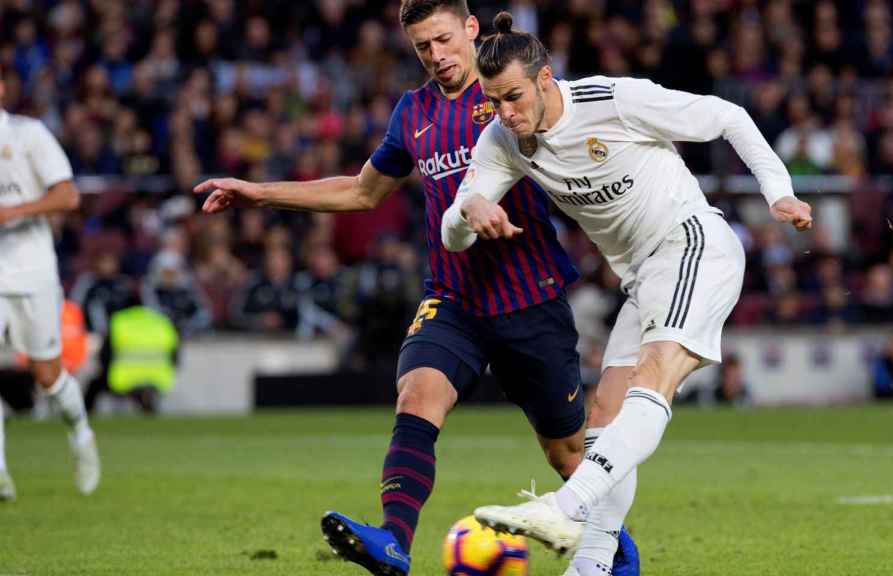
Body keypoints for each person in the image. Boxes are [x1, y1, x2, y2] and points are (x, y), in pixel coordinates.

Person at [192, 2, 637, 574]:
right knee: (417, 396)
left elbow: (585, 148)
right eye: (423, 46)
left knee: (568, 454)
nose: (438, 56)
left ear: (472, 29)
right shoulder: (414, 112)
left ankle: (614, 549)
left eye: (445, 40)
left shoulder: (513, 93)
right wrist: (260, 192)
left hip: (531, 300)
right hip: (454, 298)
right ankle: (393, 541)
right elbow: (361, 191)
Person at [442, 13, 812, 575]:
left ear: (545, 80)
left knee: (654, 373)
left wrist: (777, 193)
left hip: (692, 242)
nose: (505, 112)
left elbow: (727, 116)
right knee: (605, 417)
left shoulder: (613, 101)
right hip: (643, 275)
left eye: (513, 97)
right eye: (494, 102)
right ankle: (589, 567)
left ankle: (563, 507)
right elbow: (452, 229)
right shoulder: (504, 140)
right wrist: (471, 210)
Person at [0, 71, 101, 501]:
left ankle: (80, 433)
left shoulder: (28, 135)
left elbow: (68, 196)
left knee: (47, 374)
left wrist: (10, 212)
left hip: (31, 269)